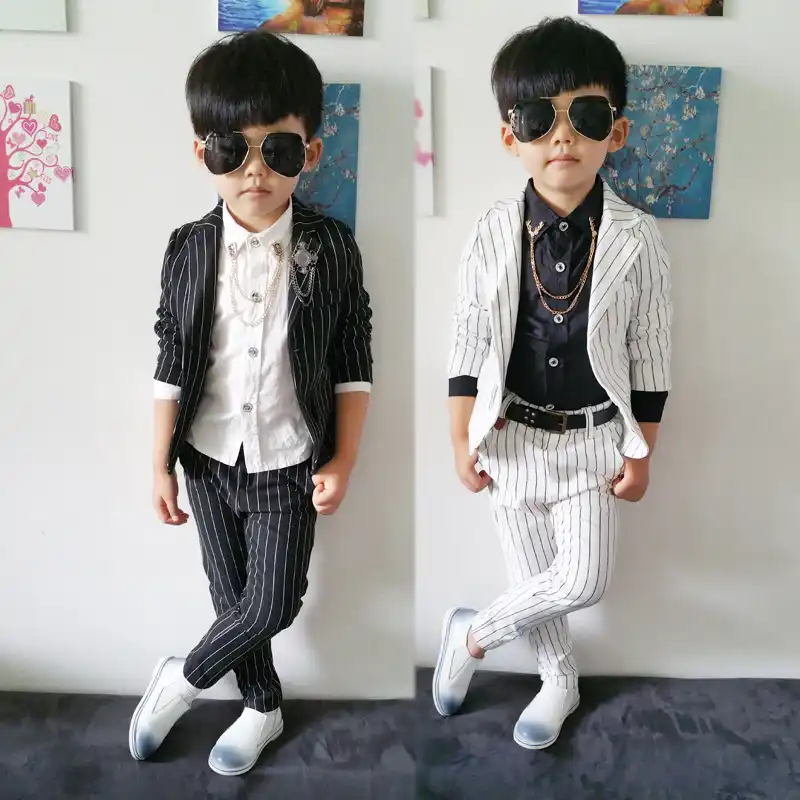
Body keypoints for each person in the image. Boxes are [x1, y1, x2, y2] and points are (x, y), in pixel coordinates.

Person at [128, 31, 373, 777]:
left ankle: (183, 679)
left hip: (291, 459)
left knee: (272, 602)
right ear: (203, 153)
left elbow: (352, 362)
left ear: (312, 153)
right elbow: (171, 358)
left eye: (280, 150)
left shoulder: (333, 247)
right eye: (231, 149)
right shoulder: (186, 247)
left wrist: (344, 459)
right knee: (229, 592)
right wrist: (160, 463)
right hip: (205, 458)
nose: (255, 169)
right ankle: (262, 705)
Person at [433, 17, 672, 750]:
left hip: (594, 441)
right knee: (535, 578)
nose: (562, 135)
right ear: (512, 136)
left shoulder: (638, 238)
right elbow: (469, 340)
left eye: (585, 114)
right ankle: (558, 680)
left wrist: (642, 451)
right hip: (509, 438)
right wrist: (460, 439)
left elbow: (650, 353)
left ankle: (473, 635)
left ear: (616, 132)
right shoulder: (491, 231)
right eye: (539, 117)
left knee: (583, 579)